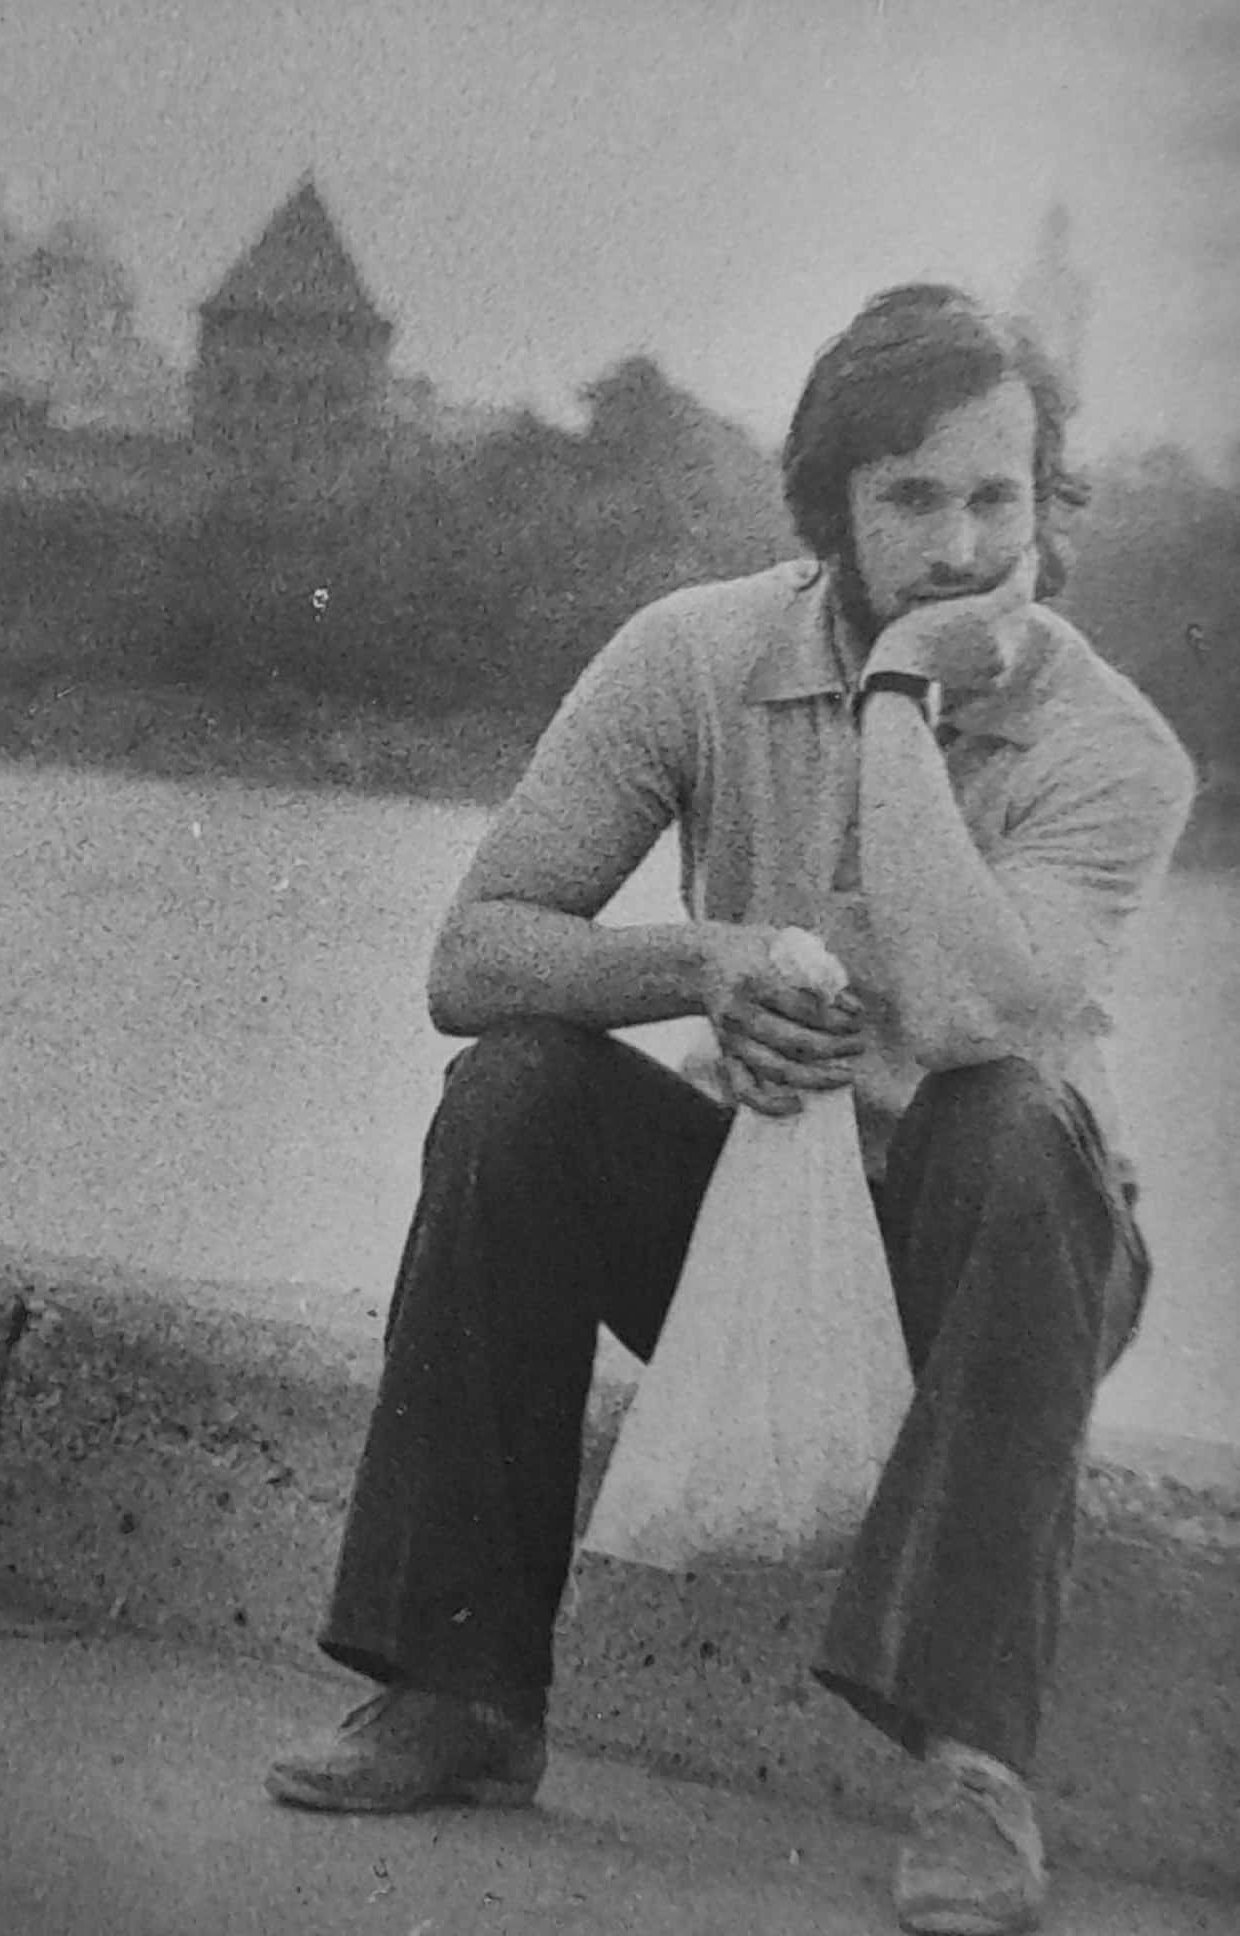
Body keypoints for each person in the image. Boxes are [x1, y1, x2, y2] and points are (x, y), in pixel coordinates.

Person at [263, 283, 1196, 1936]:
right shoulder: (694, 653)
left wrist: (899, 695)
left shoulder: (1112, 749)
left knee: (1005, 1120)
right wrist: (703, 966)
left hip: (1004, 1257)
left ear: (1049, 505)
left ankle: (977, 1776)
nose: (962, 545)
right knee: (515, 1089)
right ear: (831, 505)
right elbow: (473, 956)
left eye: (998, 498)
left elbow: (977, 1021)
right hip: (762, 1228)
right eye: (910, 498)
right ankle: (458, 1688)